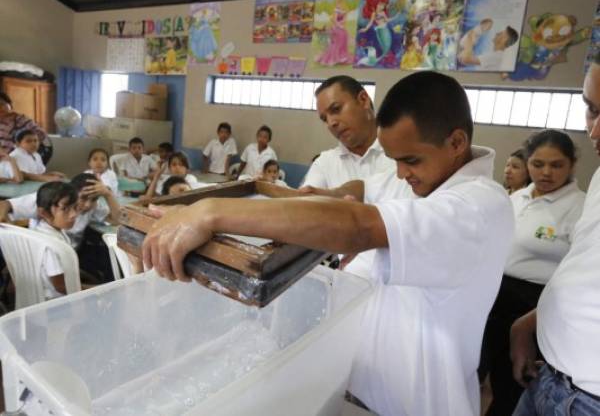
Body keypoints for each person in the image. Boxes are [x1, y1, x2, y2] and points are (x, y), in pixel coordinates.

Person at [142, 71, 514, 416]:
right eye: (396, 161)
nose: (401, 173)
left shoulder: (477, 208)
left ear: (457, 142)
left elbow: (360, 224)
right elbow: (362, 193)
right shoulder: (422, 179)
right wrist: (330, 196)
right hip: (360, 390)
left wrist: (208, 211)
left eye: (410, 160)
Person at [509, 53, 600, 416]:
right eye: (592, 109)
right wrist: (530, 323)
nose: (595, 131)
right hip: (549, 376)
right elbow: (585, 270)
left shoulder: (574, 200)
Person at [481, 130, 585, 416]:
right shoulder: (515, 199)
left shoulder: (580, 207)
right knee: (477, 373)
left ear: (572, 164)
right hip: (495, 297)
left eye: (557, 164)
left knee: (515, 385)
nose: (547, 172)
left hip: (536, 307)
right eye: (538, 164)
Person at [301, 76, 394, 189]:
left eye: (336, 109)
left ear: (363, 100)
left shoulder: (402, 154)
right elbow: (306, 202)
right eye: (324, 119)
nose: (331, 123)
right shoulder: (325, 163)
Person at [32, 181, 78, 300]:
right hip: (56, 302)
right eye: (65, 209)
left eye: (75, 207)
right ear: (43, 212)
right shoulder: (50, 244)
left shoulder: (48, 229)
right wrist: (93, 290)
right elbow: (61, 287)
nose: (74, 214)